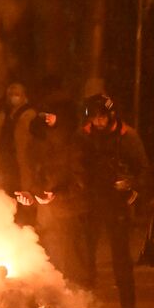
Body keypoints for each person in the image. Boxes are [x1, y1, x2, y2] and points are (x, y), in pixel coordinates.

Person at [79, 93, 148, 308]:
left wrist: (130, 183)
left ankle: (128, 306)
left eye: (102, 117)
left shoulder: (127, 136)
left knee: (121, 257)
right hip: (90, 202)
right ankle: (86, 306)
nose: (98, 122)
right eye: (94, 118)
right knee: (86, 257)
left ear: (111, 115)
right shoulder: (84, 135)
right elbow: (74, 164)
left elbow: (144, 170)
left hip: (117, 204)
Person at [26, 93, 88, 285]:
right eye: (45, 114)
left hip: (69, 213)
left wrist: (58, 196)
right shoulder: (43, 142)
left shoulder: (75, 143)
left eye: (51, 114)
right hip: (48, 213)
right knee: (51, 261)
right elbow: (40, 175)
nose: (46, 118)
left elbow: (82, 182)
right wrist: (32, 195)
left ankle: (79, 306)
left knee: (71, 263)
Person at [0, 81, 37, 224]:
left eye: (17, 94)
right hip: (6, 169)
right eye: (11, 94)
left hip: (23, 168)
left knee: (25, 207)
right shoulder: (3, 116)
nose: (14, 97)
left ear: (24, 96)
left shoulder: (30, 116)